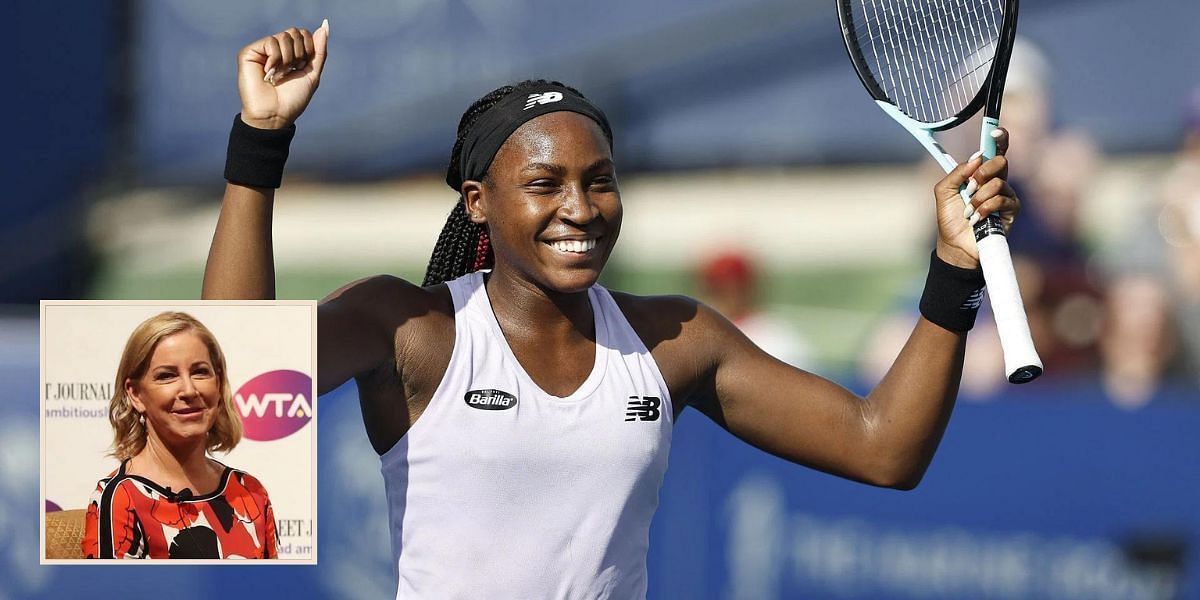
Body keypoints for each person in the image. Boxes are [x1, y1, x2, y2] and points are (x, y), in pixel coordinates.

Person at [203, 22, 1022, 597]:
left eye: (600, 180)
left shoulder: (678, 339)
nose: (581, 207)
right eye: (545, 183)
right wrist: (261, 139)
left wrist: (954, 267)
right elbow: (227, 379)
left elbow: (884, 451)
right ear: (479, 203)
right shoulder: (411, 328)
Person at [82, 312, 278, 559]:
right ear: (135, 394)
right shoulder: (120, 498)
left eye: (200, 372)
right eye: (167, 376)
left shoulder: (250, 491)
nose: (189, 390)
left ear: (218, 384)